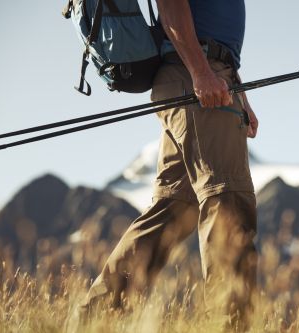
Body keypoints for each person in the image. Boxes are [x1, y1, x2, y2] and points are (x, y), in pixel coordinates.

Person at [79, 0, 259, 330]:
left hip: (200, 77)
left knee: (174, 209)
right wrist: (202, 72)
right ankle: (229, 324)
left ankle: (93, 318)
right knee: (228, 200)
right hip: (197, 75)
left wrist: (239, 92)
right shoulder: (200, 70)